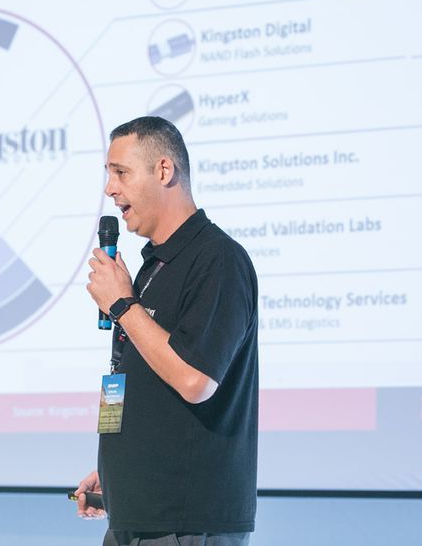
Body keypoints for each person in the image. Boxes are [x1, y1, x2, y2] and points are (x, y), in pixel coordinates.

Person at [76, 116, 259, 546]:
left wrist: (123, 306)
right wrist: (116, 468)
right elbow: (133, 376)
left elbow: (196, 380)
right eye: (108, 175)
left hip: (185, 523)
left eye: (121, 172)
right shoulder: (152, 267)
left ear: (163, 170)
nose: (110, 189)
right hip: (134, 514)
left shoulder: (217, 259)